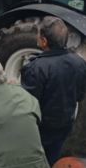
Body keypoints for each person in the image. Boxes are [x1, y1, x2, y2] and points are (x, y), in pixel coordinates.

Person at [21, 16, 86, 165]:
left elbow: (28, 103)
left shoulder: (36, 68)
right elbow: (80, 94)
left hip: (41, 127)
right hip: (65, 123)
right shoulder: (79, 63)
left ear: (44, 41)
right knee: (53, 156)